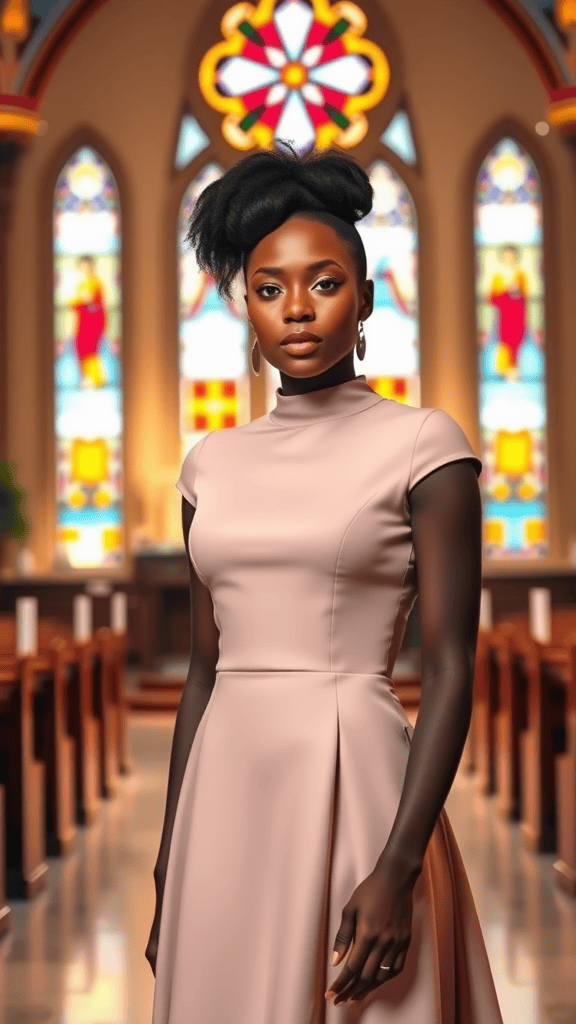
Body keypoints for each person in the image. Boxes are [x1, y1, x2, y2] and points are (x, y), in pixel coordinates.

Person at [147, 142, 504, 1023]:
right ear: (246, 310)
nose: (296, 310)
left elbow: (453, 665)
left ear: (367, 299)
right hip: (224, 795)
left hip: (361, 787)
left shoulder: (426, 445)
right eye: (268, 289)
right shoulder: (209, 466)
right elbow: (203, 672)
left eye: (324, 282)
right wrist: (169, 856)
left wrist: (399, 864)